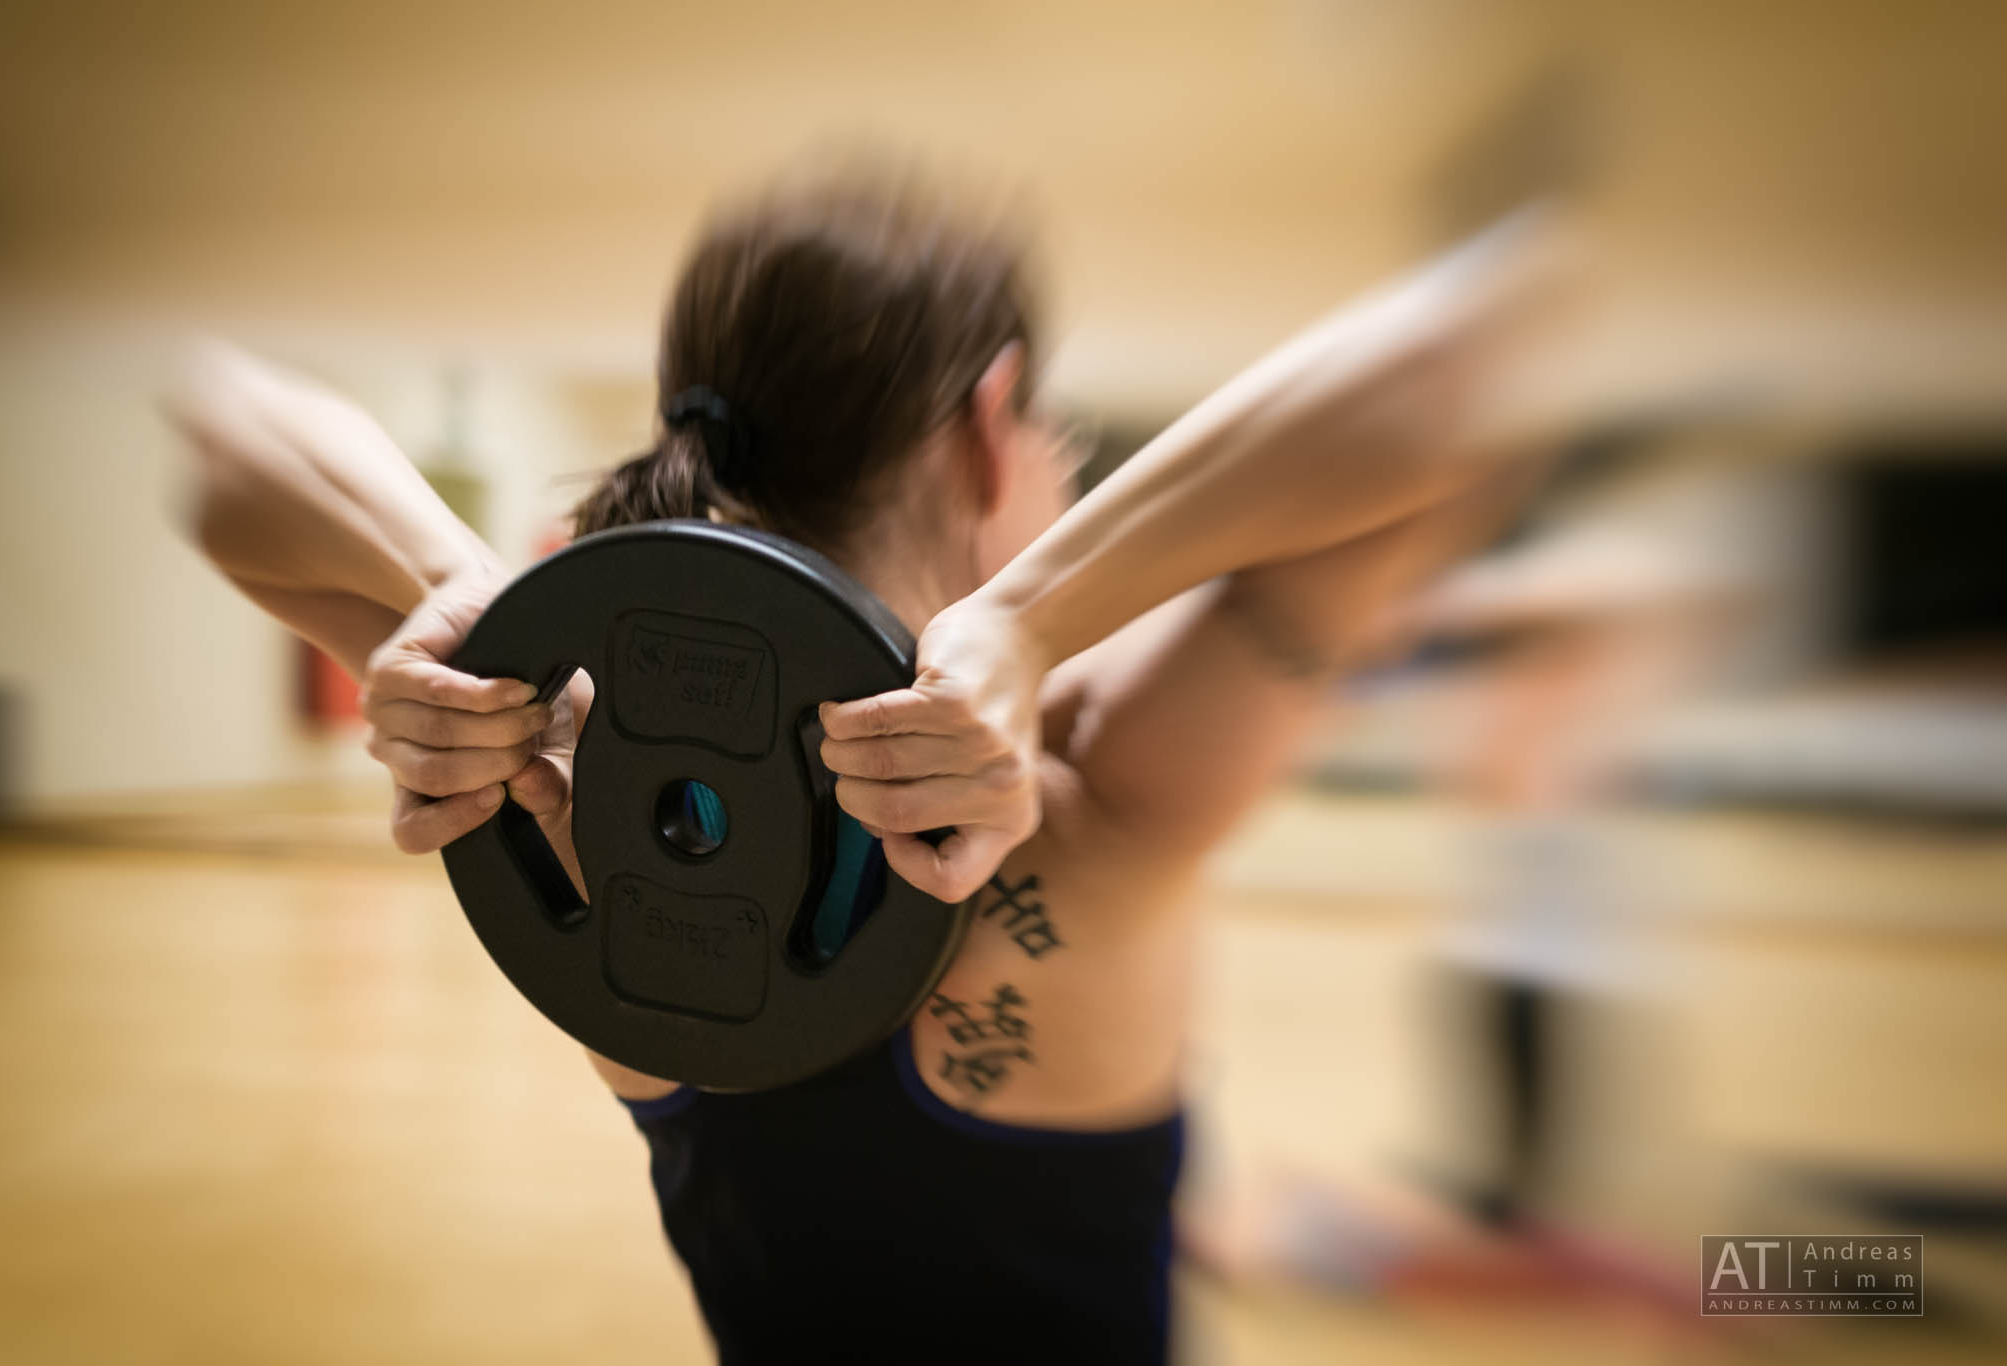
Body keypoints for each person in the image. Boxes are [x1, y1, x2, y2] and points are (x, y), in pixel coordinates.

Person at [172, 160, 1562, 1364]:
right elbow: (1473, 369)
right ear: (988, 418)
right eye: (1046, 423)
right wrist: (1037, 610)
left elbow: (220, 431)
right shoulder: (1092, 779)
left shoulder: (576, 780)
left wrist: (451, 585)